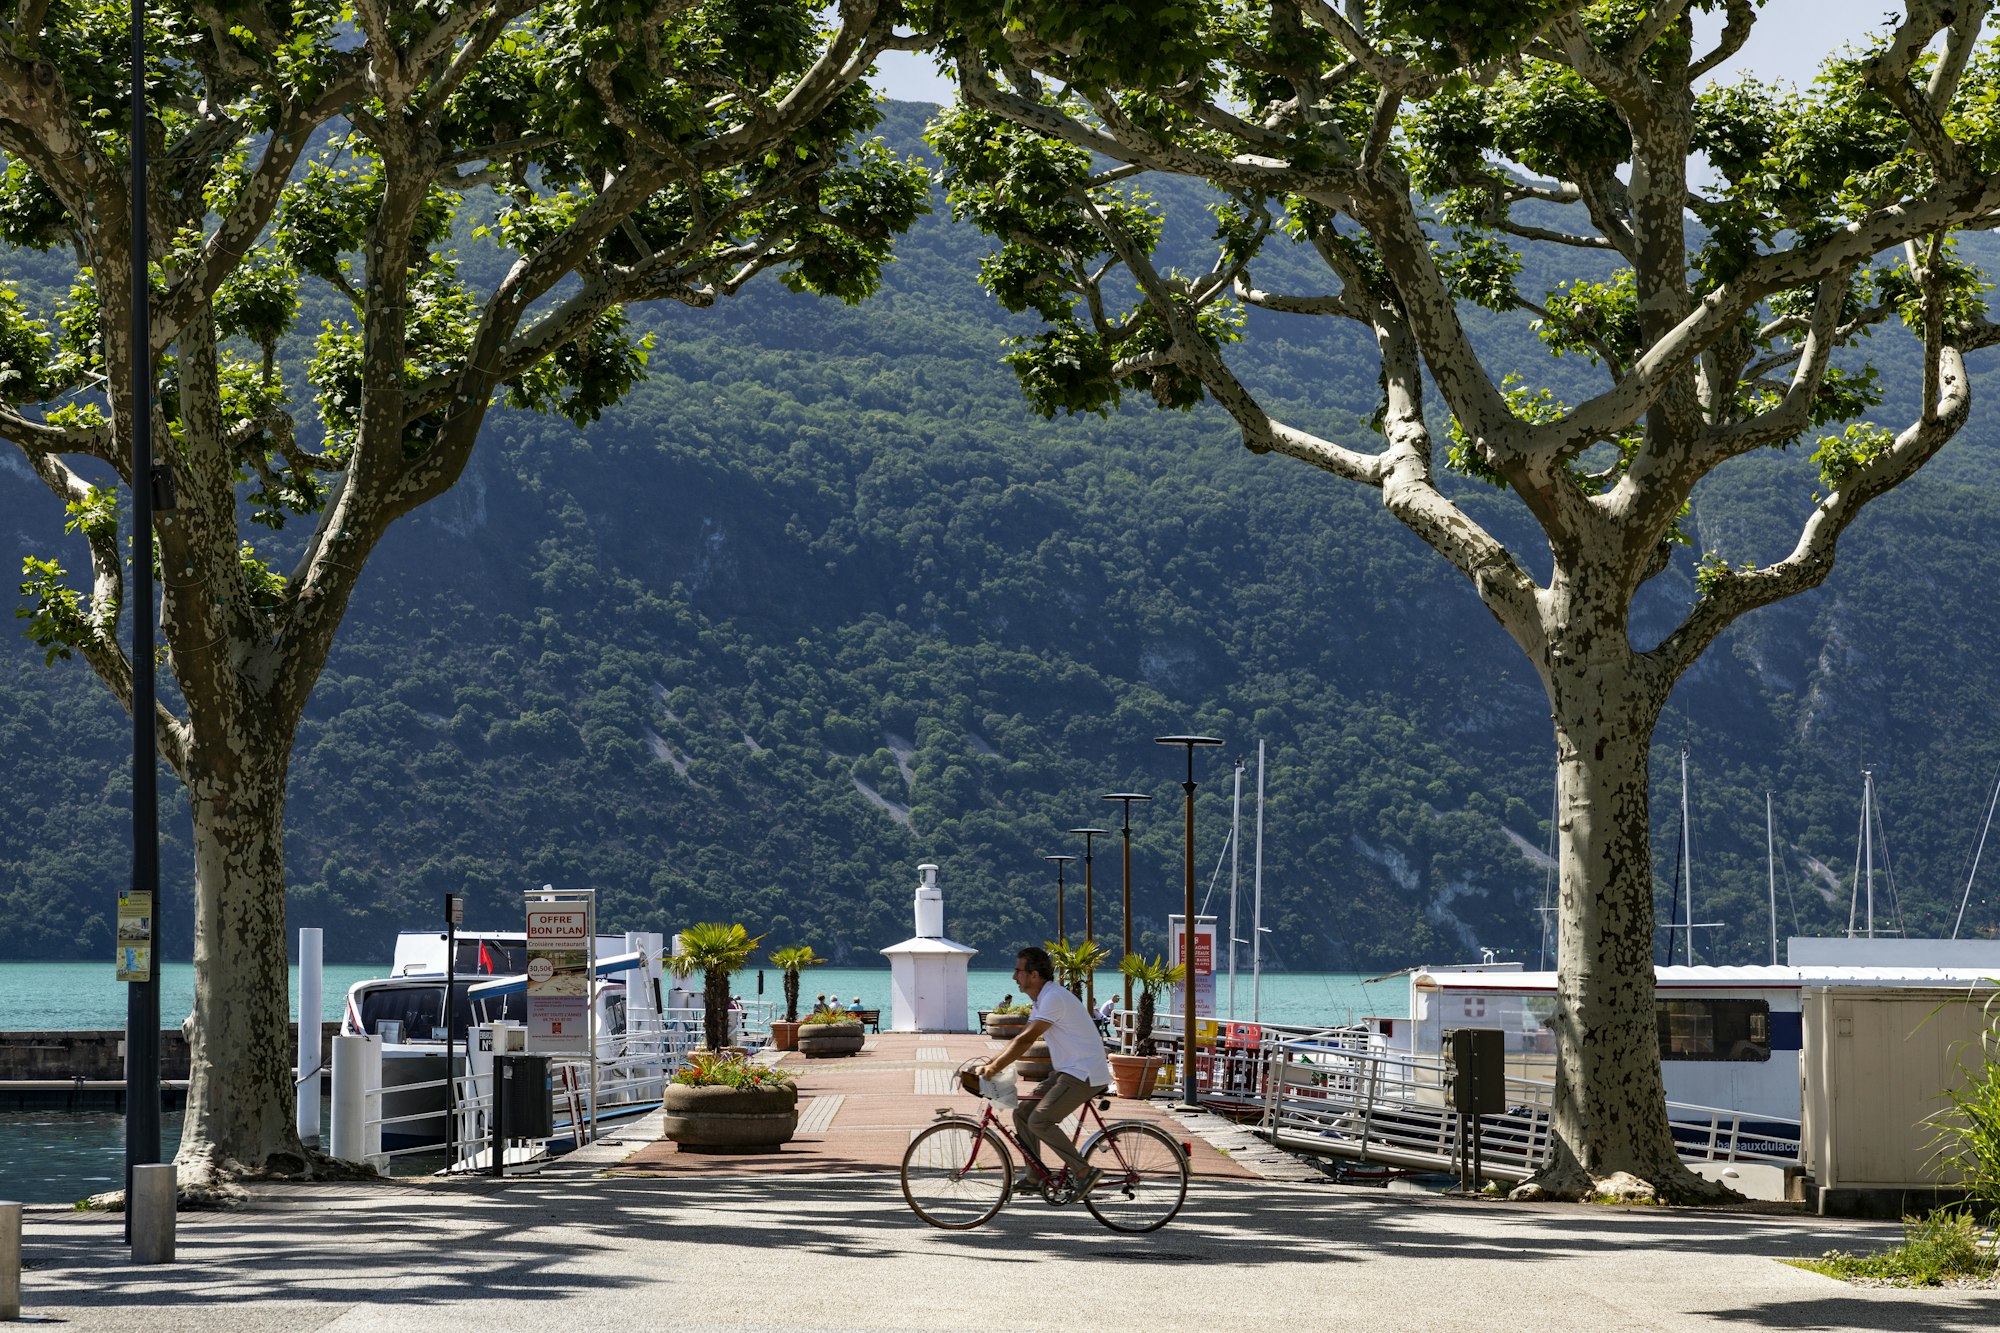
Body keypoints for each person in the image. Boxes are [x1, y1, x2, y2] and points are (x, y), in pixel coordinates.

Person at [982, 945, 1111, 1197]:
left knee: (1040, 1120)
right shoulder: (1042, 1000)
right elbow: (1020, 1039)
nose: (1013, 977)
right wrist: (991, 1062)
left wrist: (994, 1067)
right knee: (1022, 1113)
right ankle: (1035, 1175)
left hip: (1084, 1072)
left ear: (1034, 975)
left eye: (1018, 971)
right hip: (1068, 1071)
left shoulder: (1053, 998)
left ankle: (1084, 1172)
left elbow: (1027, 1039)